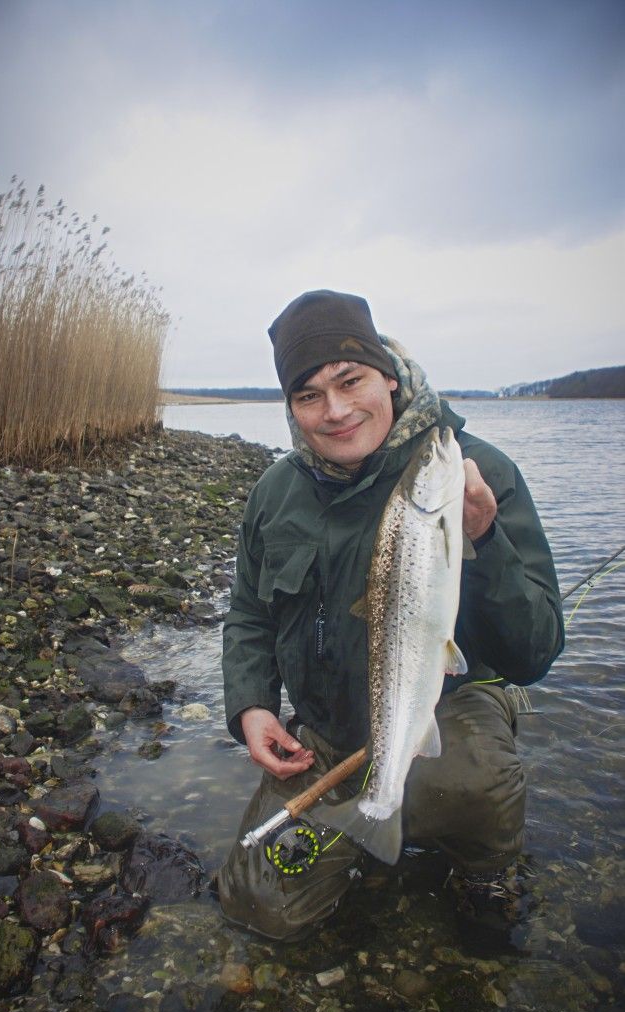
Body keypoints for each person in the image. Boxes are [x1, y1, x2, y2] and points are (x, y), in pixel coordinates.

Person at [216, 289, 564, 940]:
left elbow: (534, 652)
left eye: (350, 381)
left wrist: (484, 541)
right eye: (308, 395)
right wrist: (251, 705)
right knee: (258, 908)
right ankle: (375, 826)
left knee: (469, 779)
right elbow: (248, 613)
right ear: (291, 408)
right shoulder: (275, 493)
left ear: (389, 376)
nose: (336, 410)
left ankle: (482, 864)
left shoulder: (475, 470)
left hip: (444, 707)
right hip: (323, 732)